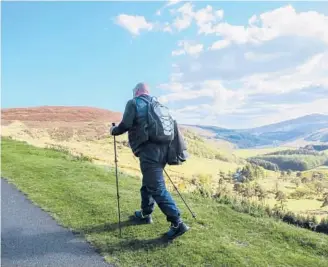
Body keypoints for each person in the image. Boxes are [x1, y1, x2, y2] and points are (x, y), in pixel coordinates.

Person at [109, 82, 189, 239]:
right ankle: (145, 214)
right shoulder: (158, 104)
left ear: (137, 91)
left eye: (134, 92)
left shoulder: (134, 103)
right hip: (165, 150)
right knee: (148, 183)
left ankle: (177, 223)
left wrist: (113, 130)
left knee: (156, 187)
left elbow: (126, 124)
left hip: (149, 151)